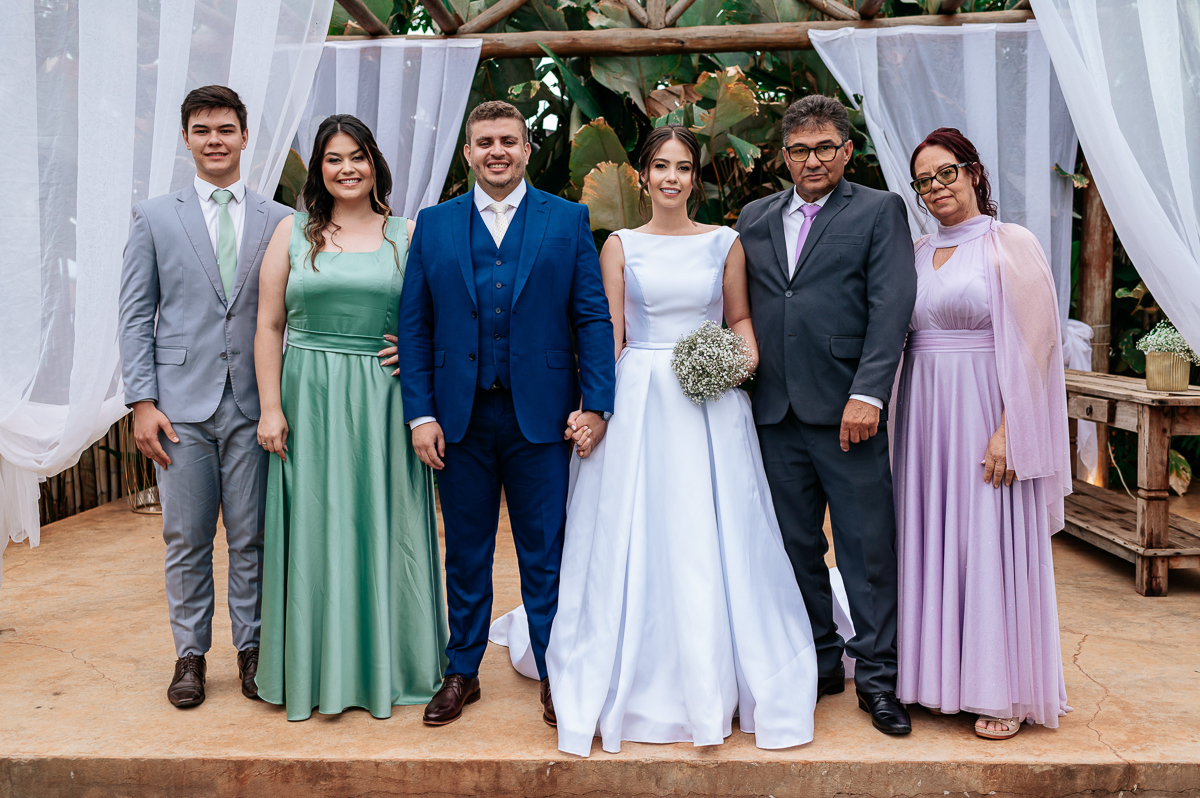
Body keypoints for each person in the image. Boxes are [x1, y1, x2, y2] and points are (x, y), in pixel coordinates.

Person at [541, 125, 819, 757]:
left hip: (708, 403)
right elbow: (609, 333)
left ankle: (719, 672)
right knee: (635, 527)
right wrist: (595, 409)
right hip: (639, 395)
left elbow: (740, 319)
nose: (672, 177)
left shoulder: (725, 242)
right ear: (643, 176)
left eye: (684, 167)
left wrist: (738, 362)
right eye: (661, 166)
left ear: (696, 177)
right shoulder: (620, 245)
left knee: (709, 529)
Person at [396, 101, 616, 727]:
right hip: (457, 417)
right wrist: (420, 415)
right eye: (485, 142)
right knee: (465, 551)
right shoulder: (433, 224)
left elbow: (591, 317)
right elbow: (415, 327)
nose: (497, 151)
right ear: (468, 152)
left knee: (544, 553)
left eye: (509, 141)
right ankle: (462, 670)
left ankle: (554, 672)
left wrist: (597, 404)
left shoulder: (567, 219)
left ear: (526, 149)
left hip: (541, 417)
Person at [253, 115, 448, 721]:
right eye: (334, 158)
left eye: (357, 156)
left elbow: (439, 317)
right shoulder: (291, 232)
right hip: (307, 397)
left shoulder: (407, 234)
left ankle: (392, 665)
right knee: (317, 526)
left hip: (383, 398)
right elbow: (269, 325)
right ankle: (315, 668)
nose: (347, 169)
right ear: (319, 168)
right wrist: (270, 407)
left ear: (374, 164)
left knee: (384, 525)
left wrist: (416, 353)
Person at [734, 95, 917, 735]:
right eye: (800, 150)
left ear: (846, 151)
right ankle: (819, 659)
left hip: (847, 410)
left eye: (824, 148)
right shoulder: (754, 218)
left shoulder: (878, 210)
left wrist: (869, 394)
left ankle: (879, 678)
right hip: (773, 410)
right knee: (795, 547)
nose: (812, 160)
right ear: (783, 156)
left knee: (866, 547)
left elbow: (891, 306)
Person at [119, 85, 293, 708]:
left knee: (252, 538)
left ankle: (253, 650)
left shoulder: (281, 220)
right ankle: (190, 655)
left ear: (245, 136)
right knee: (186, 538)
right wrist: (141, 401)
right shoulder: (153, 217)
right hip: (177, 409)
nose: (214, 140)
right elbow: (135, 314)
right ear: (186, 139)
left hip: (255, 404)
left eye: (225, 129)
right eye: (202, 130)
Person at [895, 128, 1071, 740]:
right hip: (923, 418)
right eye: (924, 180)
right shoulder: (916, 251)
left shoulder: (1009, 243)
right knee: (930, 537)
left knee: (987, 539)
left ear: (973, 172)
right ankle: (935, 680)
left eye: (946, 172)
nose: (936, 187)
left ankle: (1003, 690)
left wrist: (1009, 429)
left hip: (984, 412)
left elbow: (1039, 343)